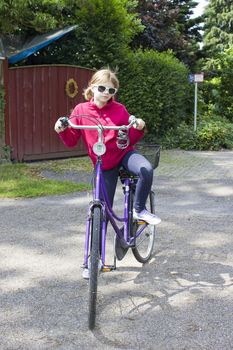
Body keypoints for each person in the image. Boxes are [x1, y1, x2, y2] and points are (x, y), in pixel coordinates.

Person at [54, 68, 161, 225]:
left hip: (124, 154)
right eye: (102, 88)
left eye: (111, 90)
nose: (106, 93)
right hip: (104, 163)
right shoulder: (81, 110)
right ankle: (97, 248)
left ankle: (139, 210)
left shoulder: (120, 109)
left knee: (146, 169)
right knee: (103, 211)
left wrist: (138, 128)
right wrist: (61, 130)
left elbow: (129, 139)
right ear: (92, 86)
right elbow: (71, 141)